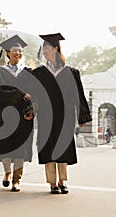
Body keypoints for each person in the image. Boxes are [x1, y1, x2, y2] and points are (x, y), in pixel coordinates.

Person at [33, 33, 92, 194]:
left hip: (65, 116)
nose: (43, 51)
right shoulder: (39, 73)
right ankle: (52, 183)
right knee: (49, 147)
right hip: (46, 116)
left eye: (46, 48)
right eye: (43, 48)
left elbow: (78, 94)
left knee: (62, 147)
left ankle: (62, 181)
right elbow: (34, 94)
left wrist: (82, 116)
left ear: (55, 49)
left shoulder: (70, 72)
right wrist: (29, 109)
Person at [0, 35, 34, 192]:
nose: (18, 53)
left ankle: (17, 180)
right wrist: (19, 92)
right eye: (15, 50)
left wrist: (32, 96)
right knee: (6, 147)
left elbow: (36, 91)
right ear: (8, 53)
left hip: (23, 116)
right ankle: (7, 172)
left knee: (20, 149)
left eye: (20, 50)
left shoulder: (29, 72)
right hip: (5, 115)